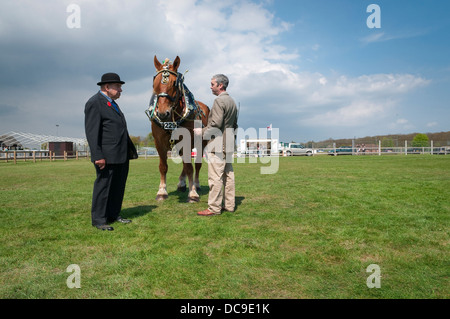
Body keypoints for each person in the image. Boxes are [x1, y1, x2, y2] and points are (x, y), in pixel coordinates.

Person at [84, 73, 138, 231]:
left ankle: (113, 214)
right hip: (106, 156)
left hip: (120, 155)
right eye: (118, 87)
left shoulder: (112, 103)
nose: (121, 90)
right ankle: (99, 220)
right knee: (104, 187)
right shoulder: (95, 102)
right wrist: (98, 156)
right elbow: (92, 132)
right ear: (107, 87)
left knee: (118, 186)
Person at [195, 74, 238, 216]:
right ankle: (230, 205)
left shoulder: (219, 101)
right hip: (229, 144)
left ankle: (214, 208)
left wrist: (201, 131)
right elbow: (235, 125)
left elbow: (215, 124)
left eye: (212, 84)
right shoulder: (232, 101)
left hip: (218, 145)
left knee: (215, 177)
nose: (210, 86)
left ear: (220, 85)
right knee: (228, 176)